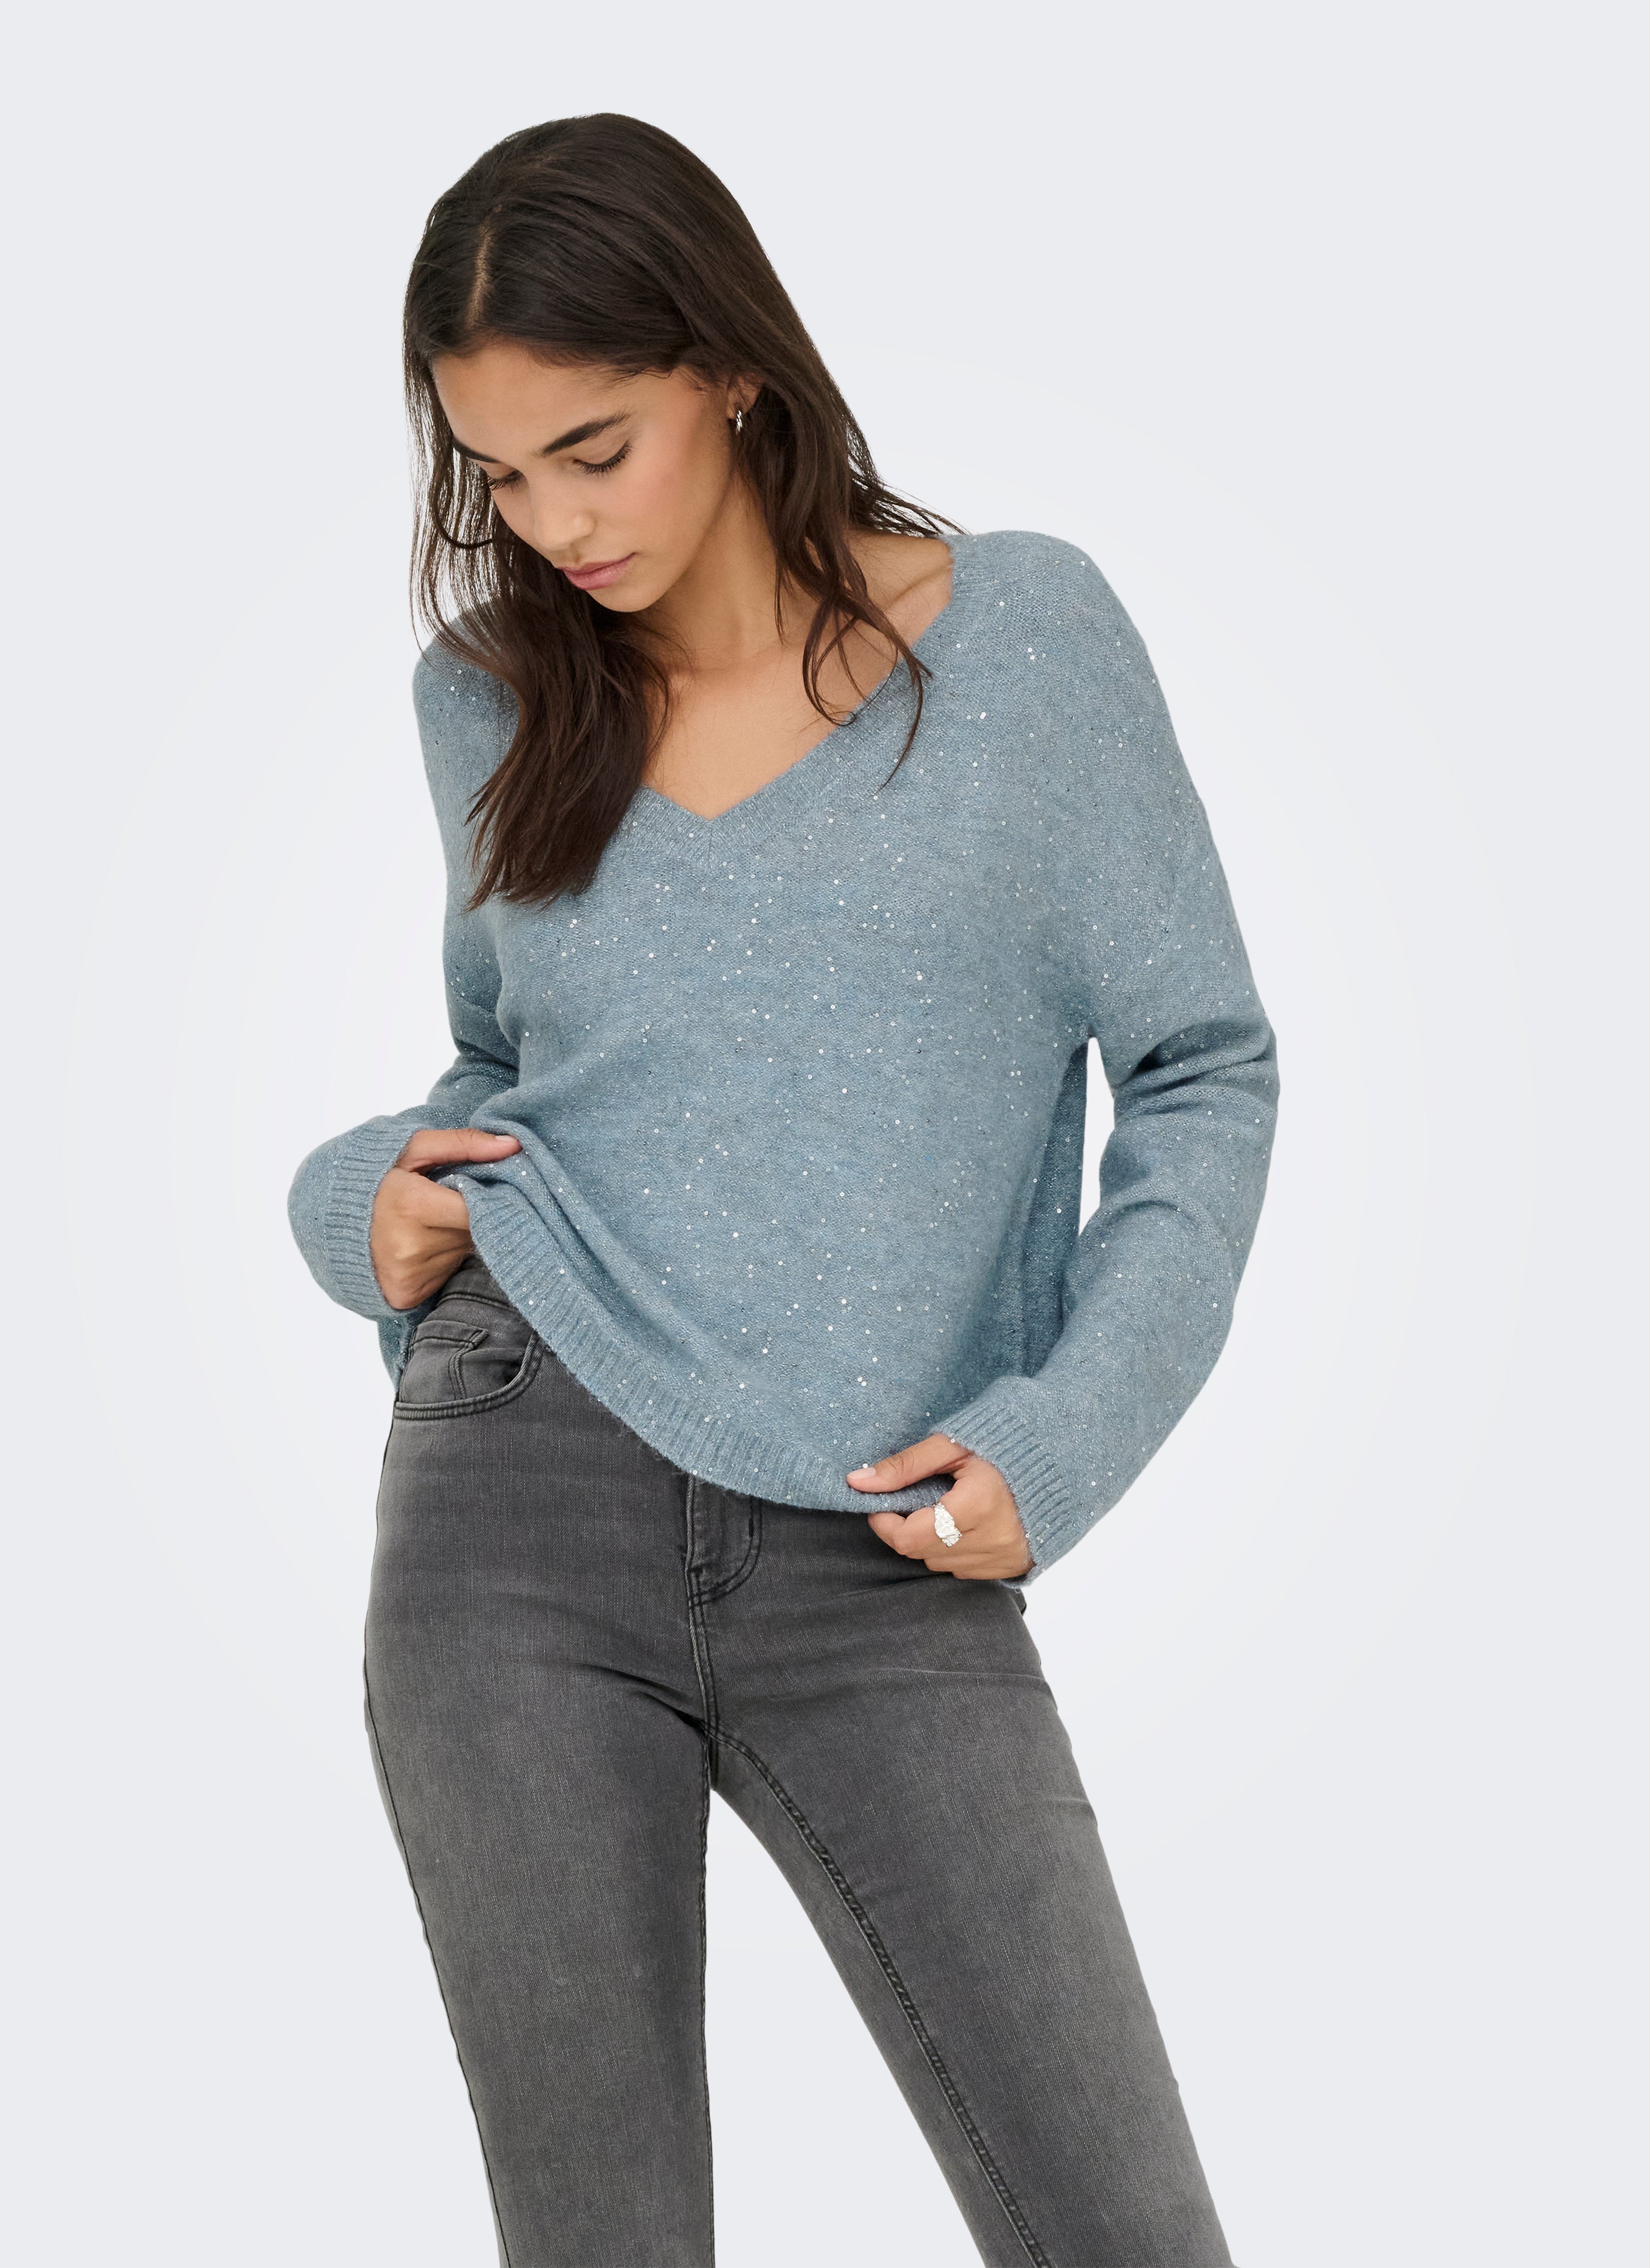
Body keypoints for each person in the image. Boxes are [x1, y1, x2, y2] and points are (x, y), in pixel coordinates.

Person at [288, 110, 1277, 2268]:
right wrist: (357, 1202)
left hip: (880, 1547)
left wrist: (1065, 1434)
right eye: (499, 475)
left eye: (595, 448)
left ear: (730, 366)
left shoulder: (1023, 639)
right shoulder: (491, 695)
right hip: (514, 1512)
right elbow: (515, 1067)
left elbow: (1202, 1067)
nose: (553, 523)